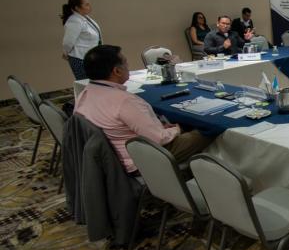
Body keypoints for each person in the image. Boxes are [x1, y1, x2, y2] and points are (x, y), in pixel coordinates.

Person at [74, 45, 212, 174]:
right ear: (117, 71)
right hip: (140, 159)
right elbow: (158, 139)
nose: (128, 66)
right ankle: (208, 174)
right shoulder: (125, 101)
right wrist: (176, 129)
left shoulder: (84, 94)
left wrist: (160, 128)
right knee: (208, 131)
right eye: (125, 62)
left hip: (110, 157)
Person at [62, 0, 102, 80]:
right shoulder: (74, 21)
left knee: (94, 81)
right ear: (77, 8)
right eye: (86, 4)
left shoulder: (85, 18)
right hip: (80, 58)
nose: (89, 6)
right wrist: (66, 52)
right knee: (85, 82)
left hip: (90, 57)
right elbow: (68, 42)